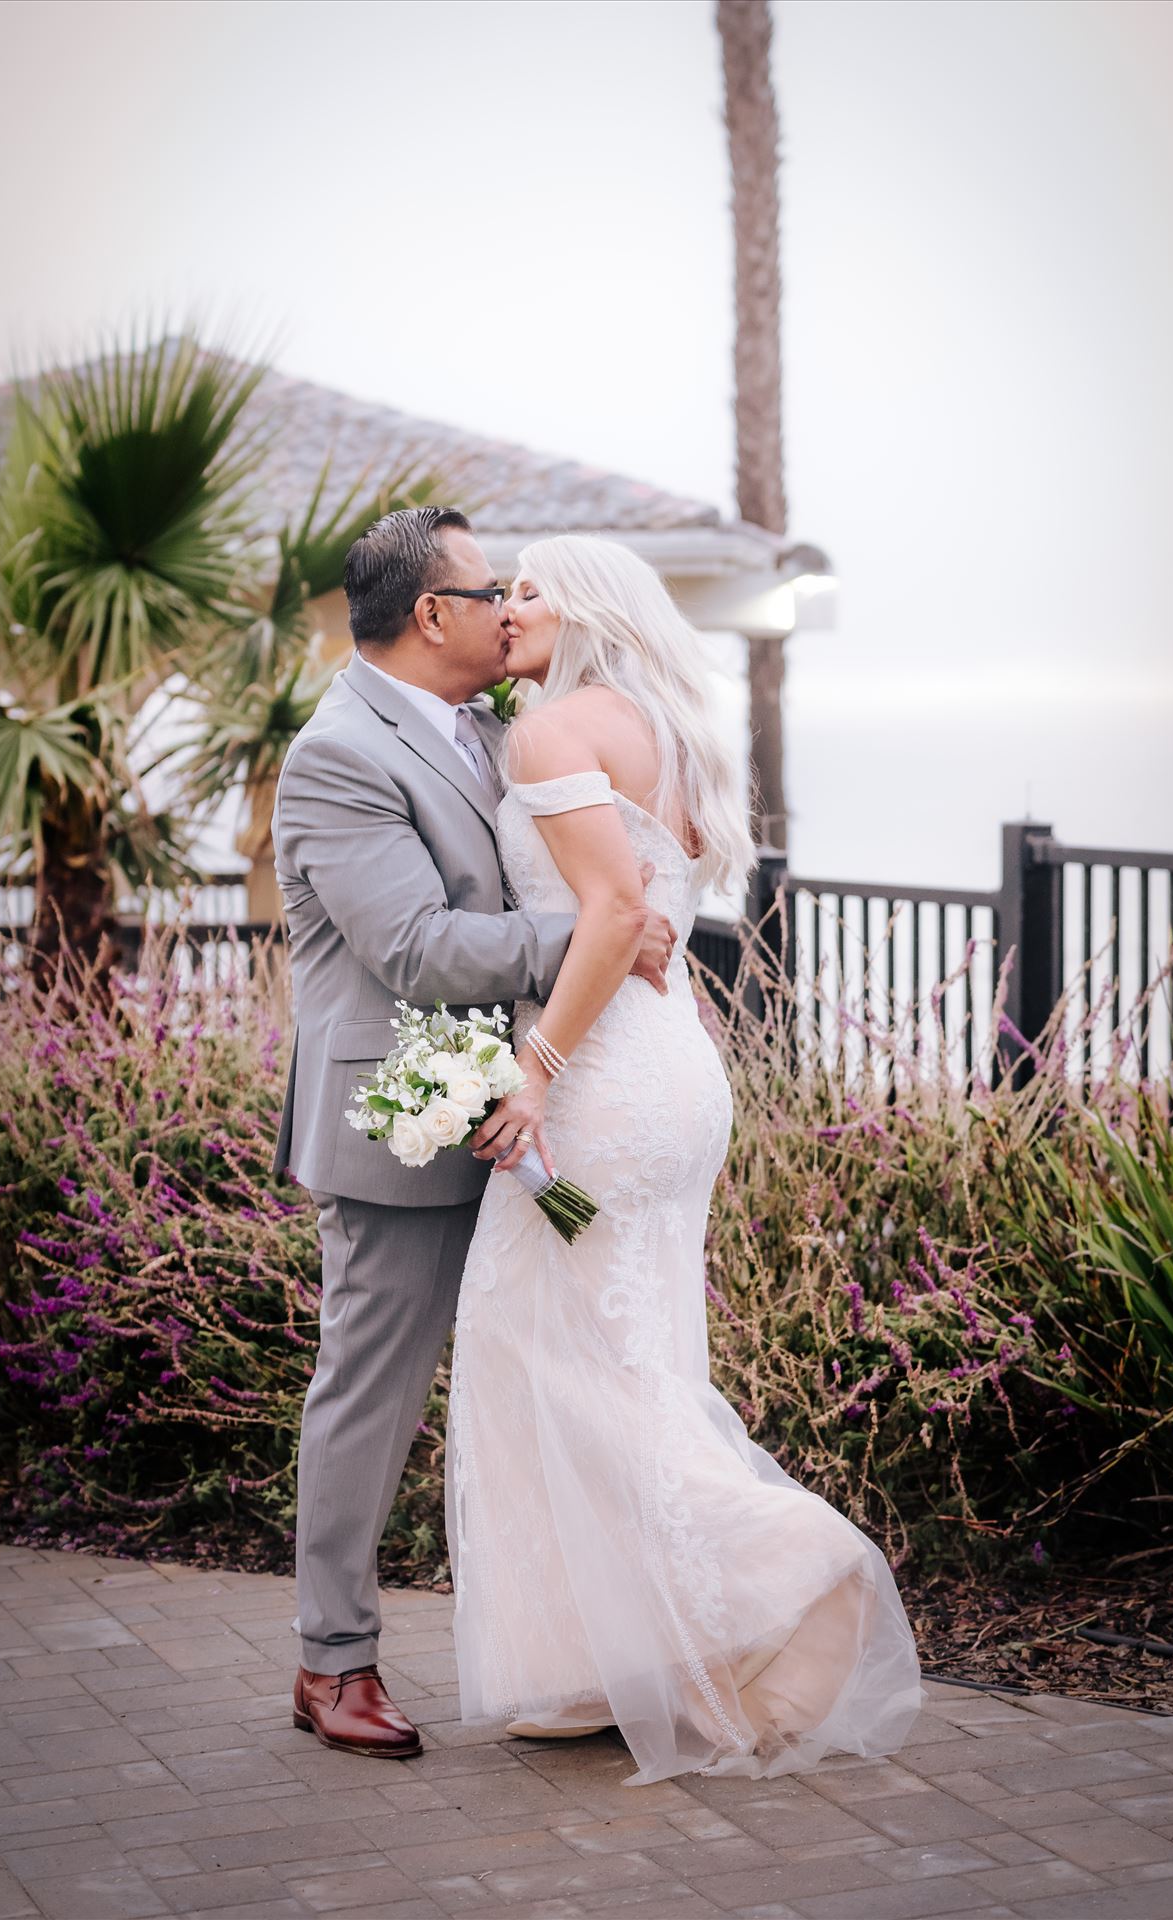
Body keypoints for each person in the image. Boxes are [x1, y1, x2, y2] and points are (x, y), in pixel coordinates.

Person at [448, 534, 922, 1784]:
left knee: (543, 1347)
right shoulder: (656, 727)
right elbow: (634, 906)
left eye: (530, 589)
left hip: (599, 1077)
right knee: (628, 1347)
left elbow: (607, 914)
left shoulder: (553, 732)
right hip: (669, 1068)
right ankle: (607, 1659)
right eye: (498, 589)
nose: (507, 608)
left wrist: (531, 1074)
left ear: (589, 607)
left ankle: (797, 1564)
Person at [270, 507, 677, 1758]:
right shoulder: (338, 754)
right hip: (404, 1118)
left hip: (530, 1103)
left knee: (564, 1375)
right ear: (430, 614)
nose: (509, 605)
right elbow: (413, 948)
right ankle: (331, 1665)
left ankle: (604, 1646)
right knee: (372, 1394)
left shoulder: (496, 727)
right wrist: (599, 927)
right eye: (486, 586)